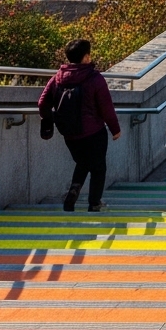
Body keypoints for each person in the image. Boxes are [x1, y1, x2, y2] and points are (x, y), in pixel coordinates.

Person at [38, 39, 121, 213]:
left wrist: (49, 120)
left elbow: (42, 103)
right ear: (86, 56)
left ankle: (74, 192)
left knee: (83, 162)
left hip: (70, 133)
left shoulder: (58, 78)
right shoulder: (94, 78)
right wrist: (115, 128)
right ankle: (94, 203)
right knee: (98, 167)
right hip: (94, 132)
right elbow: (106, 107)